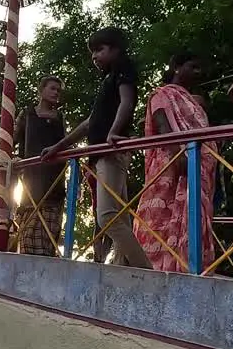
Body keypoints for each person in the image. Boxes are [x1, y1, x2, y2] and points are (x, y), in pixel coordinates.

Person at [43, 27, 152, 268]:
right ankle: (125, 267)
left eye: (100, 50)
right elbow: (90, 122)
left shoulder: (123, 69)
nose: (95, 57)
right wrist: (58, 146)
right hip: (102, 153)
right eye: (92, 52)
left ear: (116, 49)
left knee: (107, 216)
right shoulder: (108, 80)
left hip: (109, 151)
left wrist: (114, 132)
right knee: (119, 215)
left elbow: (128, 102)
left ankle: (146, 269)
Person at [135, 52, 218, 272]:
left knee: (193, 218)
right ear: (177, 67)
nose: (198, 73)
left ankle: (189, 267)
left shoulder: (192, 102)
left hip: (196, 170)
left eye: (200, 69)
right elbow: (164, 128)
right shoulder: (161, 95)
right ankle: (159, 268)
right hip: (171, 169)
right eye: (193, 67)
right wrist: (179, 157)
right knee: (162, 219)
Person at [12, 76, 67, 256]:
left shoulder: (59, 117)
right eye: (52, 88)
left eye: (58, 90)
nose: (56, 93)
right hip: (31, 182)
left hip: (54, 181)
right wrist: (14, 160)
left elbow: (64, 144)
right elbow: (14, 140)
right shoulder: (27, 114)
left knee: (49, 237)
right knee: (28, 236)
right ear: (41, 90)